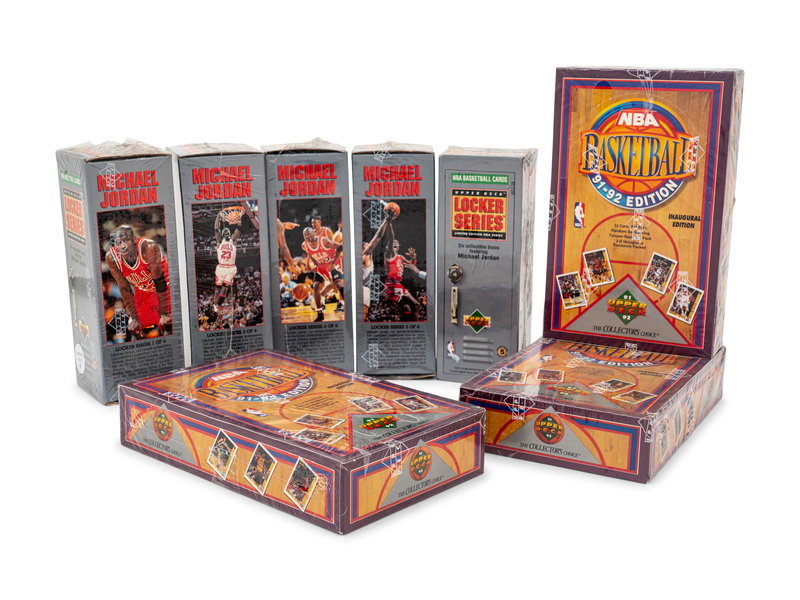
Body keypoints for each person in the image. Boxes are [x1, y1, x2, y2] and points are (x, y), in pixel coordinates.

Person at [105, 224, 171, 339]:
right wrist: (135, 318)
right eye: (118, 243)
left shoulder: (148, 248)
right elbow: (125, 288)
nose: (123, 246)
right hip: (144, 291)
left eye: (126, 240)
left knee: (168, 323)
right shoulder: (112, 258)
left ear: (135, 240)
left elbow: (160, 282)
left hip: (166, 287)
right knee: (134, 328)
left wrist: (165, 313)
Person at [301, 227, 343, 322]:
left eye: (309, 233)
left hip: (332, 263)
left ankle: (348, 307)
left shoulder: (324, 240)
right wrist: (314, 264)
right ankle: (320, 314)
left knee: (338, 284)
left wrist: (333, 263)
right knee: (316, 286)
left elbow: (340, 247)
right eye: (305, 235)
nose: (307, 236)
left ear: (314, 233)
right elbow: (311, 254)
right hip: (321, 266)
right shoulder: (304, 245)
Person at [362, 213, 394, 320]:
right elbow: (378, 236)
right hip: (363, 288)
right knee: (363, 316)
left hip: (357, 288)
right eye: (367, 246)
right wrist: (386, 220)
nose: (370, 248)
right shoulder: (366, 254)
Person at [213, 214, 241, 314]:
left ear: (230, 233)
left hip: (231, 267)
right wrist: (218, 218)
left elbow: (239, 229)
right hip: (221, 267)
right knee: (218, 289)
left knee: (224, 289)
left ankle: (218, 305)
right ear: (223, 234)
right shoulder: (220, 240)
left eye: (228, 232)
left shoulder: (233, 240)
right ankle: (215, 305)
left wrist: (239, 219)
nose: (227, 233)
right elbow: (216, 229)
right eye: (225, 232)